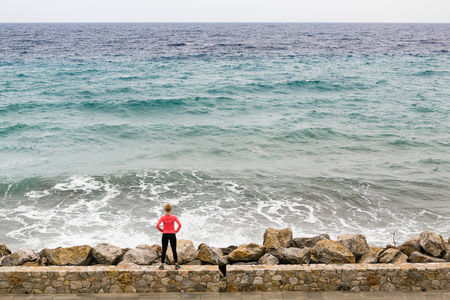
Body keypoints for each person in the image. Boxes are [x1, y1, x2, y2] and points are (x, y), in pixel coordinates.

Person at [156, 203, 182, 270]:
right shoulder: (174, 217)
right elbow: (180, 225)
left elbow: (157, 225)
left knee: (164, 250)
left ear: (165, 209)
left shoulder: (162, 217)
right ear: (171, 209)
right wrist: (176, 231)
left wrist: (161, 230)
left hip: (165, 234)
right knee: (174, 250)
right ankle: (176, 265)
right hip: (172, 234)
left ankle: (162, 265)